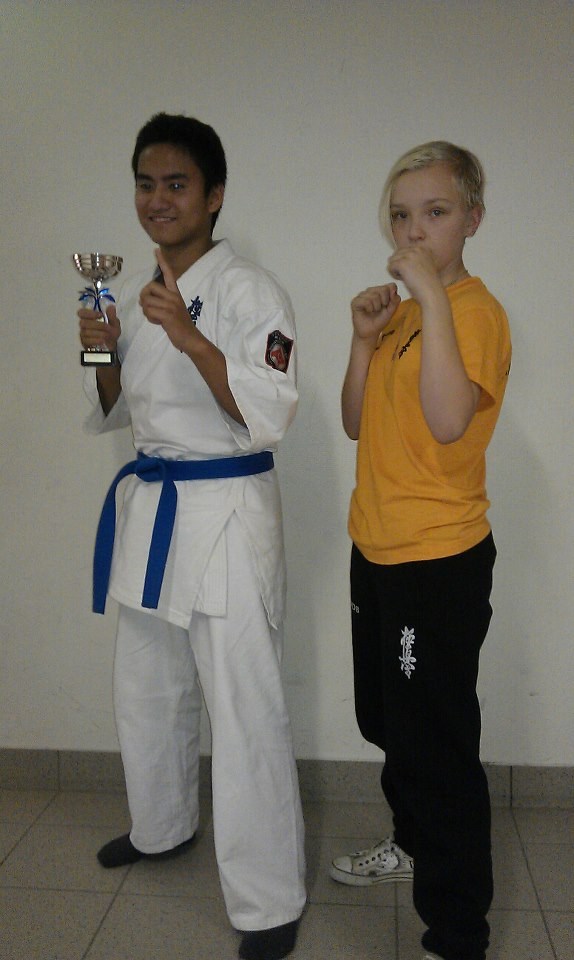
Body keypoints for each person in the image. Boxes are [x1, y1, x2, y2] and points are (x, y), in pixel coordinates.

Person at [78, 112, 306, 960]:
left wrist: (188, 334)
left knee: (245, 710)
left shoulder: (250, 292)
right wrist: (102, 352)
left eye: (176, 184)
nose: (158, 199)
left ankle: (269, 899)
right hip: (154, 507)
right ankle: (162, 825)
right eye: (146, 183)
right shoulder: (143, 293)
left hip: (227, 512)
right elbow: (114, 411)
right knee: (147, 686)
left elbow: (270, 412)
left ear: (214, 196)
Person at [331, 142, 511, 960]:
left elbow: (447, 421)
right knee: (387, 720)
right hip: (377, 549)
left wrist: (431, 296)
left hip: (436, 562)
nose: (414, 230)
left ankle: (458, 928)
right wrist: (362, 340)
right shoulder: (401, 316)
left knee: (436, 744)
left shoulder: (474, 312)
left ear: (472, 219)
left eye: (435, 212)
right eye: (402, 215)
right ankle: (410, 844)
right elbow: (355, 422)